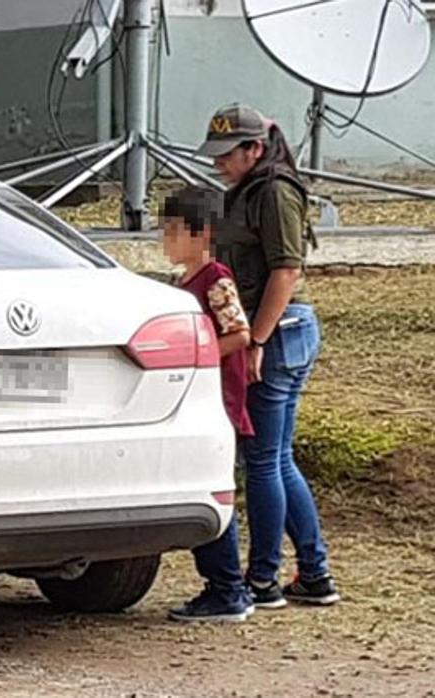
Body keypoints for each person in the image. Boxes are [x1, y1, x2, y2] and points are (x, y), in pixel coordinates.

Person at [196, 103, 340, 607]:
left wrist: (256, 340)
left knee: (261, 462)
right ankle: (314, 573)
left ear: (255, 149)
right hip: (279, 332)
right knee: (277, 459)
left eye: (227, 155)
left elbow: (286, 272)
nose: (219, 163)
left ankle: (262, 579)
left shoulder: (274, 191)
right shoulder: (248, 190)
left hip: (280, 333)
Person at [159, 187, 255, 623]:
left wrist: (198, 355)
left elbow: (240, 333)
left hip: (216, 399)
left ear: (201, 234)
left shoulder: (215, 279)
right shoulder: (180, 284)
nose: (166, 240)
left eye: (174, 231)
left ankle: (227, 586)